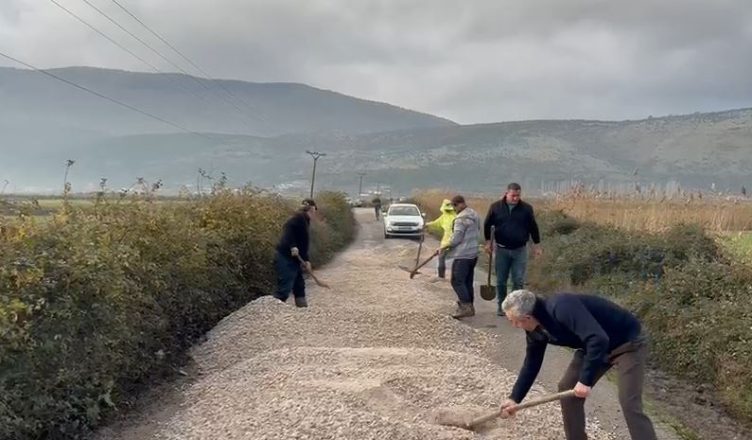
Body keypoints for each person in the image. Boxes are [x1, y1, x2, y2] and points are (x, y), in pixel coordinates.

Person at [499, 289, 657, 440]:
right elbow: (531, 363)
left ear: (527, 317)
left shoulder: (561, 307)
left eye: (515, 322)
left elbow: (598, 338)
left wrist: (585, 381)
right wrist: (515, 398)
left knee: (629, 402)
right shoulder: (535, 329)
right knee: (568, 389)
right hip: (592, 347)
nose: (514, 326)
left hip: (626, 343)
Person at [483, 182, 541, 316]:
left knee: (518, 280)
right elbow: (487, 225)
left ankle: (516, 308)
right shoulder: (495, 207)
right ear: (506, 194)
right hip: (502, 250)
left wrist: (536, 245)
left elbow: (533, 227)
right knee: (501, 280)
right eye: (513, 195)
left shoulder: (526, 209)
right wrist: (488, 242)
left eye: (518, 196)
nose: (516, 198)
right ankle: (501, 306)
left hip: (520, 250)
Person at [440, 195, 481, 319]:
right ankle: (470, 306)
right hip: (473, 253)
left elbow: (456, 238)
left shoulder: (460, 219)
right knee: (467, 281)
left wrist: (444, 246)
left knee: (457, 281)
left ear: (458, 204)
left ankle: (466, 306)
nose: (454, 209)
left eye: (454, 206)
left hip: (462, 254)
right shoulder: (474, 214)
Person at [273, 198, 317, 307]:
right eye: (315, 210)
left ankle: (302, 312)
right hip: (286, 257)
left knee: (299, 286)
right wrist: (293, 246)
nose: (315, 212)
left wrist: (306, 260)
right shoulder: (299, 217)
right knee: (285, 287)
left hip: (295, 259)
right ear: (311, 209)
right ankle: (272, 310)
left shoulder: (305, 220)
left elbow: (303, 244)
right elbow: (288, 229)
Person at [424, 199, 457, 279]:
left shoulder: (452, 217)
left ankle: (441, 277)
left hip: (449, 241)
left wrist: (426, 225)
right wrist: (427, 225)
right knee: (454, 259)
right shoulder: (452, 216)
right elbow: (436, 223)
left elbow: (436, 224)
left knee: (441, 258)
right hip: (454, 241)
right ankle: (453, 278)